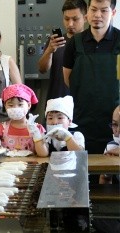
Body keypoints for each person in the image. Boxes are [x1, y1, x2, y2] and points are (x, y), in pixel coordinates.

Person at [63, 0, 120, 154]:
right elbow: (68, 79)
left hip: (115, 122)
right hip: (82, 120)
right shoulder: (74, 43)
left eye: (104, 10)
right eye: (93, 9)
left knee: (112, 173)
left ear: (113, 12)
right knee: (81, 170)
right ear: (87, 11)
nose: (97, 15)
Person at [38, 0, 87, 101]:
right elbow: (42, 69)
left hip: (82, 103)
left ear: (85, 18)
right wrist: (49, 51)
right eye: (66, 19)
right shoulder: (55, 42)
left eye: (75, 19)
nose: (70, 24)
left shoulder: (90, 42)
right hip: (56, 102)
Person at [0, 84, 49, 157]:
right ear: (5, 106)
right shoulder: (1, 128)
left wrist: (36, 134)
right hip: (7, 167)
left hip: (30, 167)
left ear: (29, 105)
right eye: (11, 105)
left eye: (20, 104)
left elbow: (43, 154)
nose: (15, 108)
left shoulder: (37, 128)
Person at [99, 105, 120, 184]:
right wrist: (107, 170)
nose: (118, 130)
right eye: (115, 124)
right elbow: (105, 178)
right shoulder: (112, 147)